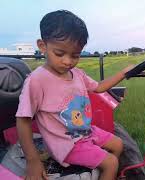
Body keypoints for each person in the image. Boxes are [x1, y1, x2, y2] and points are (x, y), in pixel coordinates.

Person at [16, 10, 133, 180]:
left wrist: (122, 73)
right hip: (66, 144)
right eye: (59, 53)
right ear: (43, 46)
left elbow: (99, 87)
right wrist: (33, 160)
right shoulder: (37, 80)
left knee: (118, 144)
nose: (68, 61)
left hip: (84, 132)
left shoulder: (77, 74)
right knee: (111, 163)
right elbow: (23, 119)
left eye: (75, 55)